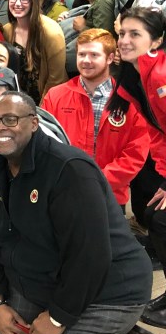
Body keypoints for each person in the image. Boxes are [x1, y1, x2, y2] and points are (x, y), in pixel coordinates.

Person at [0, 91, 155, 334]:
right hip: (48, 282)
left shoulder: (69, 168)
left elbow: (90, 256)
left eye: (10, 119)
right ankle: (93, 333)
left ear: (33, 123)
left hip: (111, 289)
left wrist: (58, 318)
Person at [42, 28, 148, 207]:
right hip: (62, 192)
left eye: (94, 55)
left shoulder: (130, 101)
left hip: (110, 197)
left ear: (109, 58)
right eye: (81, 54)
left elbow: (136, 152)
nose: (86, 61)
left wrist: (98, 179)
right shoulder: (55, 96)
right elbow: (44, 142)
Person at [108, 8, 166, 328]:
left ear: (156, 40)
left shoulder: (160, 75)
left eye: (135, 35)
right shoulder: (133, 76)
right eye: (122, 33)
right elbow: (159, 133)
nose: (125, 40)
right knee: (156, 217)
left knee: (161, 221)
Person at [3, 0, 67, 103]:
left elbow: (55, 79)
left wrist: (42, 110)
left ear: (34, 2)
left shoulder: (51, 32)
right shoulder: (7, 30)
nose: (17, 3)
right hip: (17, 99)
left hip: (47, 98)